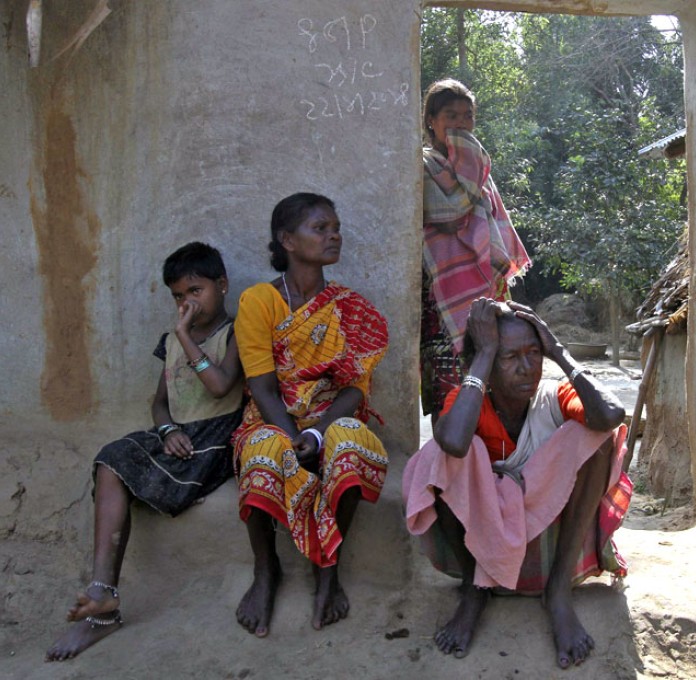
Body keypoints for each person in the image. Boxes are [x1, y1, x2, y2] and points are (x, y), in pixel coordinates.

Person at [403, 298, 632, 668]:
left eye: (533, 354)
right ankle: (474, 590)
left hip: (547, 523)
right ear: (487, 366)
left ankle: (557, 591)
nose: (527, 369)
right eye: (510, 358)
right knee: (440, 453)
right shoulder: (468, 401)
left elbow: (609, 414)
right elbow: (455, 443)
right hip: (481, 527)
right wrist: (484, 352)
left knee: (596, 436)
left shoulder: (553, 398)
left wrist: (558, 351)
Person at [46, 242, 244, 661]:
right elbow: (160, 402)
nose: (187, 303)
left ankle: (101, 605)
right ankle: (102, 597)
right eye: (178, 296)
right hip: (182, 430)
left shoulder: (237, 333)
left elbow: (221, 386)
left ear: (222, 285)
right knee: (111, 456)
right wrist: (167, 427)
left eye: (196, 291)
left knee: (132, 462)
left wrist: (185, 338)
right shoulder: (170, 342)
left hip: (217, 434)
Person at [232, 192, 388, 637]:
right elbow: (261, 385)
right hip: (272, 414)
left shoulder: (348, 307)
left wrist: (318, 434)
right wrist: (291, 433)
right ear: (287, 240)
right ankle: (266, 570)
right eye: (320, 228)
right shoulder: (258, 301)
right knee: (263, 451)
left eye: (335, 227)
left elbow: (355, 386)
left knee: (350, 444)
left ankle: (329, 571)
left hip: (328, 415)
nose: (334, 235)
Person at [420, 78, 531, 423]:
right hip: (442, 299)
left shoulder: (478, 169)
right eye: (450, 115)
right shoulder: (423, 166)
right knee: (451, 390)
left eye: (467, 116)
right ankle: (447, 467)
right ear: (431, 122)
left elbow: (487, 228)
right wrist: (468, 166)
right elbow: (449, 212)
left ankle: (489, 467)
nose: (460, 124)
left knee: (491, 380)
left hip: (486, 290)